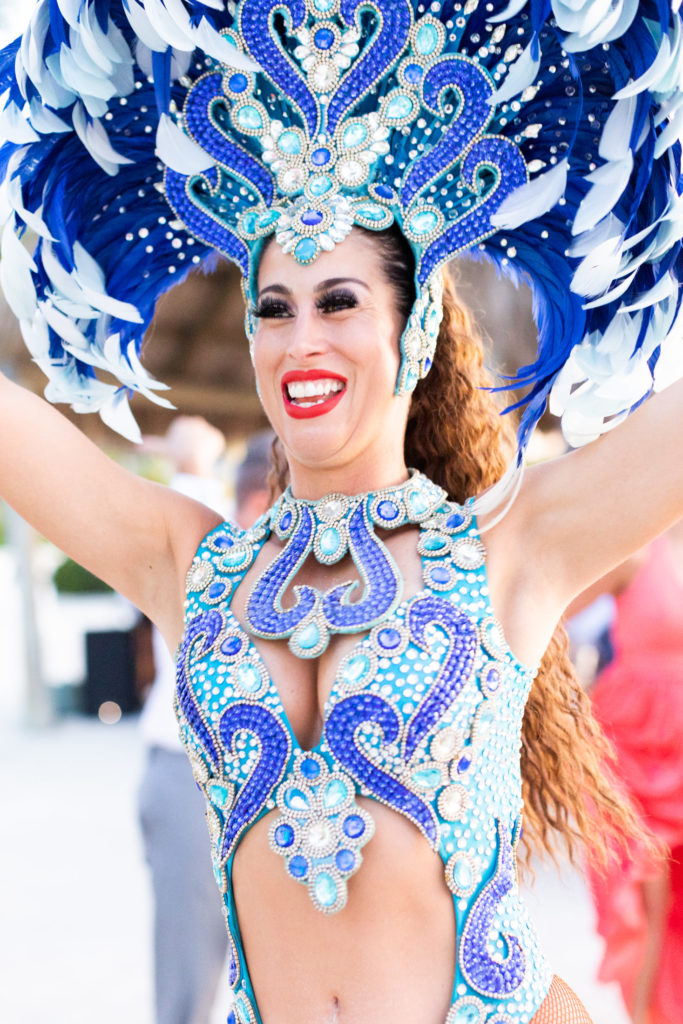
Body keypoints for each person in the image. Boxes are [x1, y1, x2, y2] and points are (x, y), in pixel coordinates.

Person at [0, 4, 682, 1024]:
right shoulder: (191, 565)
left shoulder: (508, 550)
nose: (298, 341)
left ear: (410, 334)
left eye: (338, 303)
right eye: (273, 308)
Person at [138, 415, 230, 1024]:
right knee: (189, 988)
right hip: (187, 778)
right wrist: (194, 472)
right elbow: (193, 548)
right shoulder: (220, 548)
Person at [582, 522, 683, 1024]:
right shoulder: (636, 547)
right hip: (641, 737)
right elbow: (547, 604)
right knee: (650, 888)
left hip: (679, 742)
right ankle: (644, 1014)